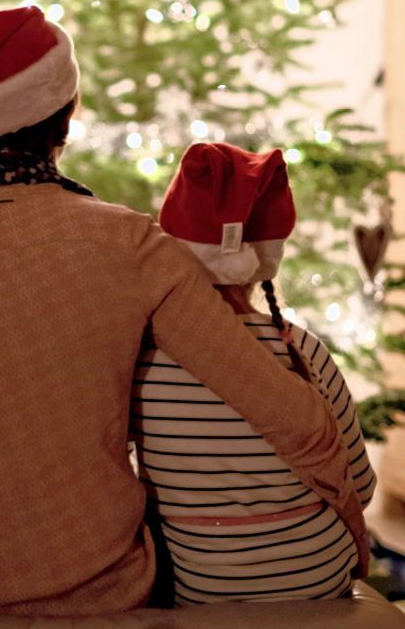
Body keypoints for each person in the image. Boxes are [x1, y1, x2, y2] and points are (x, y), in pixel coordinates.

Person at [0, 8, 367, 625]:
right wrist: (353, 528)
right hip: (92, 594)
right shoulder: (129, 242)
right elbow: (282, 407)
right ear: (69, 108)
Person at [132, 142, 376, 604]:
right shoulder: (303, 349)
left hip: (206, 588)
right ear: (266, 257)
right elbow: (359, 487)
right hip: (319, 579)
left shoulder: (143, 361)